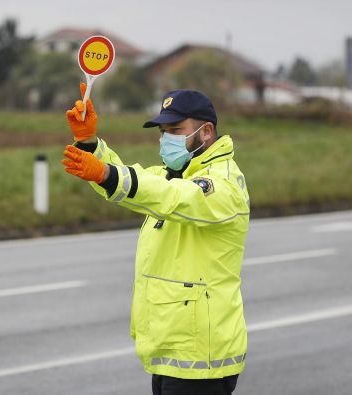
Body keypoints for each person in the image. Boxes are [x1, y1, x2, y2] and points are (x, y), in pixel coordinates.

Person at [62, 84, 251, 395]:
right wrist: (89, 143)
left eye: (175, 129)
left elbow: (172, 197)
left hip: (201, 357)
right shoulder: (173, 175)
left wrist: (106, 174)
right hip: (173, 352)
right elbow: (134, 181)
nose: (165, 139)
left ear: (206, 132)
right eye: (162, 132)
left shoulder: (223, 183)